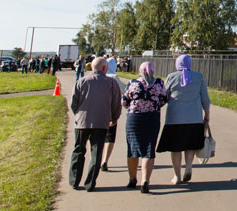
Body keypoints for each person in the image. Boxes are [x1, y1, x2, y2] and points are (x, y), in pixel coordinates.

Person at [69, 56, 122, 192]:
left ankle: (74, 180)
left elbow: (73, 103)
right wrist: (114, 117)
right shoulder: (111, 83)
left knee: (79, 150)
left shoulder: (82, 81)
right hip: (101, 122)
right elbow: (116, 104)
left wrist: (78, 114)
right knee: (96, 153)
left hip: (82, 121)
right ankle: (90, 183)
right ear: (104, 68)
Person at [157, 54, 210, 184]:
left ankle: (177, 176)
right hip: (194, 119)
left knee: (175, 148)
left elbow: (165, 96)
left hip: (175, 119)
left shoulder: (171, 77)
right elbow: (205, 99)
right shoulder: (199, 77)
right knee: (190, 146)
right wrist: (207, 115)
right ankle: (188, 167)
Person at [122, 62, 169, 193]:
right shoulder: (159, 83)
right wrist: (152, 106)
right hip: (152, 118)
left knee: (132, 148)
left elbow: (124, 101)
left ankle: (132, 178)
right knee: (149, 149)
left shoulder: (132, 83)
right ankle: (145, 180)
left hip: (134, 119)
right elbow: (164, 99)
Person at [101, 56, 121, 172]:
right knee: (109, 137)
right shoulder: (114, 78)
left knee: (98, 136)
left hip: (98, 111)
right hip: (111, 111)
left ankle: (97, 158)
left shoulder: (97, 77)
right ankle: (105, 160)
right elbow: (123, 89)